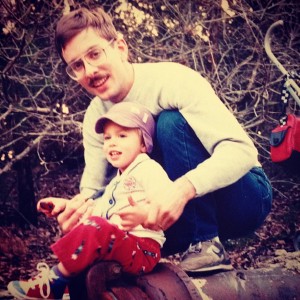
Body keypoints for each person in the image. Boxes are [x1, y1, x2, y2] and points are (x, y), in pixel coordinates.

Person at [52, 6, 272, 273]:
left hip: (243, 199)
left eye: (95, 54)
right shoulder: (95, 117)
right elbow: (95, 189)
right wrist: (79, 214)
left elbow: (241, 151)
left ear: (120, 47)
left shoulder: (172, 80)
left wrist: (182, 189)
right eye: (77, 65)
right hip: (172, 218)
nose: (89, 70)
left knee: (169, 123)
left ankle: (206, 243)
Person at [8, 102, 172, 299]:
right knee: (90, 224)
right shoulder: (115, 182)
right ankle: (72, 283)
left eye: (122, 136)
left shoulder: (149, 169)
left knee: (98, 227)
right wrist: (66, 205)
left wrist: (145, 213)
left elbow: (168, 201)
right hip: (120, 243)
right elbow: (97, 212)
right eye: (107, 137)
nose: (112, 142)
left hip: (143, 248)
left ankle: (55, 281)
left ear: (144, 143)